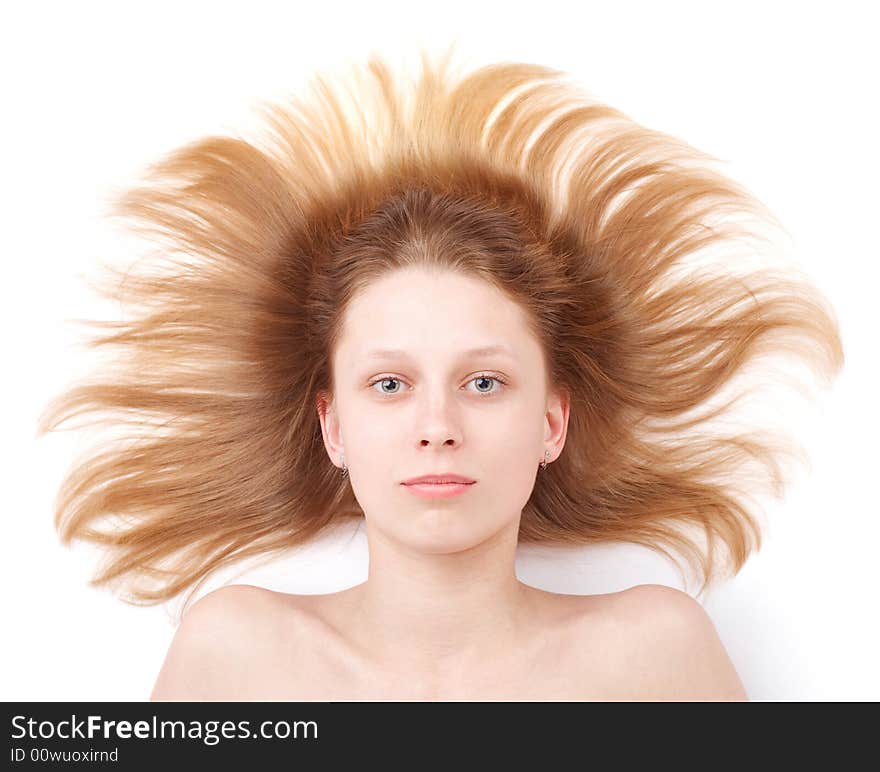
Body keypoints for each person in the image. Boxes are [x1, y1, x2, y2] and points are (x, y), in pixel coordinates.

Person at [36, 47, 844, 701]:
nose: (438, 426)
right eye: (390, 384)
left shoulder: (654, 654)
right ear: (333, 427)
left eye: (484, 382)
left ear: (552, 423)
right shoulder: (235, 651)